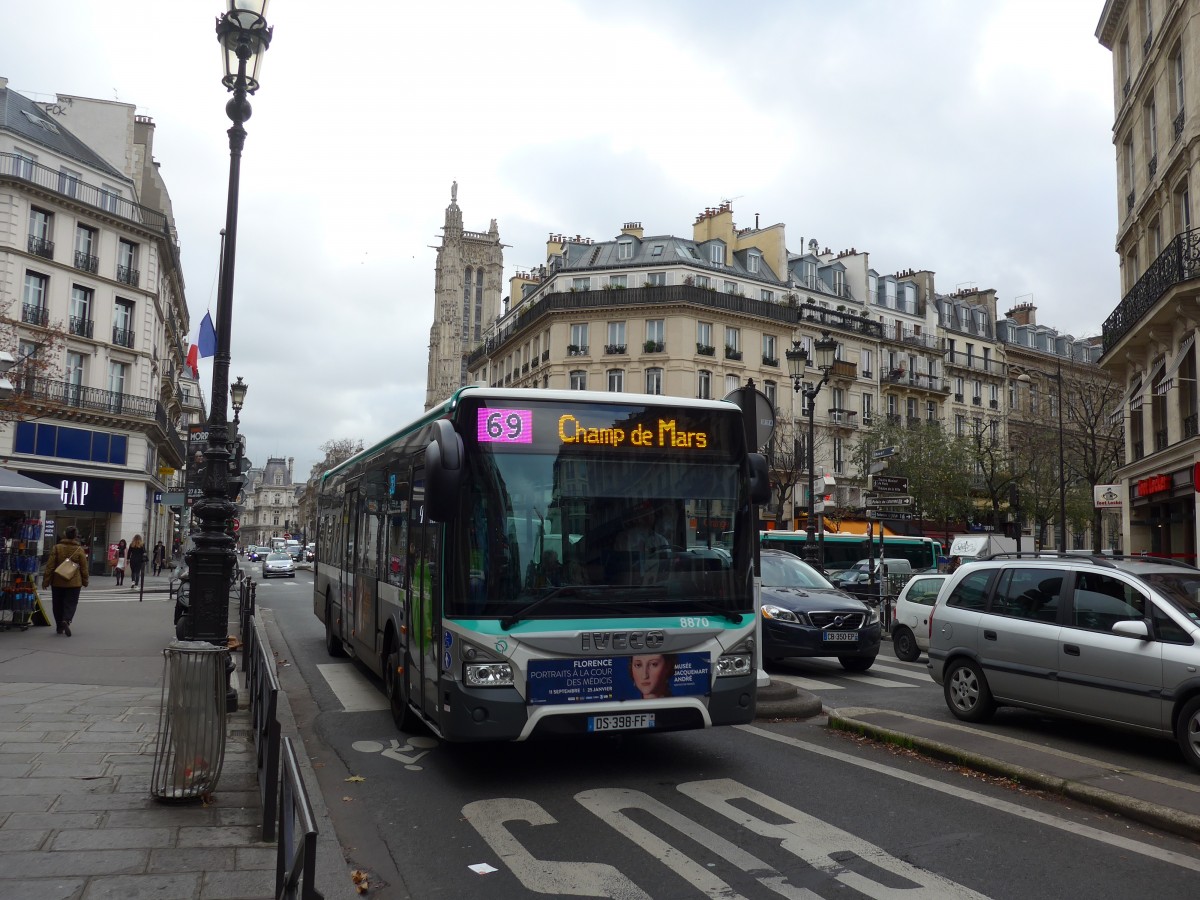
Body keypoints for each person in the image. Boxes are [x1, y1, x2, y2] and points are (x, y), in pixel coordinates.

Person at [42, 525, 89, 636]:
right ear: (75, 536)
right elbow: (84, 567)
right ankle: (66, 620)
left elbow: (50, 565)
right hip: (74, 583)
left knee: (57, 604)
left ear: (65, 534)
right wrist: (85, 580)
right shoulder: (79, 550)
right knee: (71, 603)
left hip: (57, 581)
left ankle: (59, 626)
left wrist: (46, 580)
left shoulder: (57, 548)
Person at [613, 503, 670, 582]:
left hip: (655, 584)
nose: (649, 517)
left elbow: (667, 567)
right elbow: (620, 565)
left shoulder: (661, 540)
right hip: (630, 584)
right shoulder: (625, 538)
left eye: (651, 513)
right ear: (637, 516)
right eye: (645, 514)